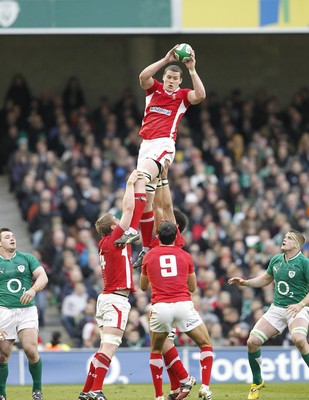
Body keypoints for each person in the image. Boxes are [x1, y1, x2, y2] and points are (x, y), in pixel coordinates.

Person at [115, 44, 206, 250]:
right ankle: (146, 248)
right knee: (147, 200)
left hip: (163, 144)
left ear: (180, 81)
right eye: (169, 78)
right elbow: (143, 77)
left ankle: (131, 230)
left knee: (141, 178)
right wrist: (166, 60)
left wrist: (192, 69)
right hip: (146, 145)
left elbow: (200, 95)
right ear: (164, 78)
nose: (172, 82)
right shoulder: (154, 89)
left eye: (175, 79)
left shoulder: (182, 96)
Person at [78, 170, 145, 400]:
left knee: (102, 348)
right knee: (110, 347)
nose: (121, 223)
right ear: (112, 227)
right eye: (117, 223)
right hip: (116, 300)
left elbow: (134, 216)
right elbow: (128, 210)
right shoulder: (113, 240)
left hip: (108, 298)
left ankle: (87, 390)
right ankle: (96, 389)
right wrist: (130, 184)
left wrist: (140, 192)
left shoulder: (110, 243)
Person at [228, 229, 309, 400]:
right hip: (277, 308)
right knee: (252, 341)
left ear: (297, 244)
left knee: (300, 340)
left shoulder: (304, 263)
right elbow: (266, 279)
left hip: (299, 307)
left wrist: (300, 304)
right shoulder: (276, 260)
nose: (284, 239)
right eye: (284, 236)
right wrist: (245, 282)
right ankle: (257, 382)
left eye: (288, 238)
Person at [140, 221, 214, 400]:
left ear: (157, 236)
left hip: (161, 307)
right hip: (183, 305)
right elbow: (193, 287)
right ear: (176, 237)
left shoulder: (149, 256)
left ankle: (159, 396)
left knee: (156, 350)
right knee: (205, 344)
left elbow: (143, 287)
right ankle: (205, 386)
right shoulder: (185, 256)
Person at [0, 227, 48, 400]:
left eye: (13, 236)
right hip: (3, 311)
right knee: (2, 355)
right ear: (0, 243)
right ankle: (2, 393)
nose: (12, 239)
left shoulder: (27, 258)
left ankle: (37, 390)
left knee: (30, 350)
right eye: (7, 237)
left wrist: (34, 289)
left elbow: (43, 276)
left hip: (26, 311)